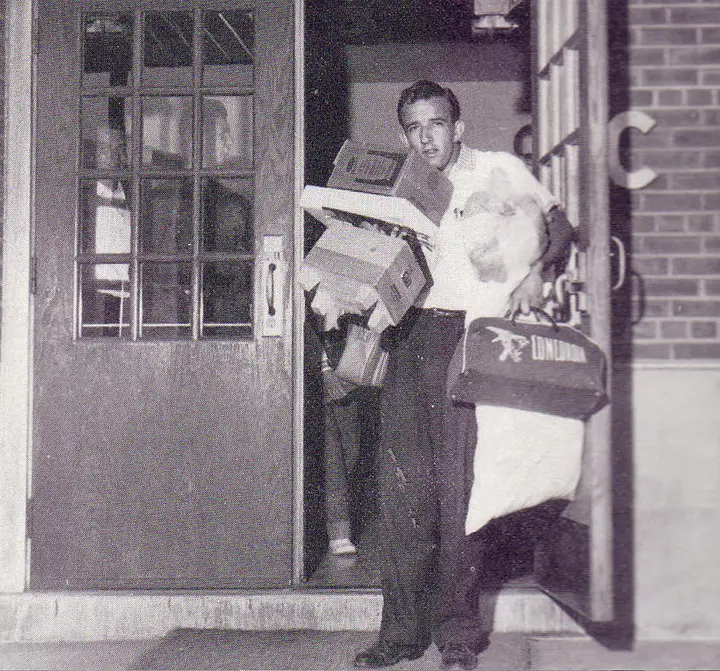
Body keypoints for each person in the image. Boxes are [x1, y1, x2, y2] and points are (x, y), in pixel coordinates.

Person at [353, 81, 574, 670]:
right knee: (405, 497)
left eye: (437, 123)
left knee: (460, 497)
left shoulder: (496, 170)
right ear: (403, 134)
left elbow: (560, 227)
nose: (427, 136)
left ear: (459, 127)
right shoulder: (401, 185)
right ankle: (398, 635)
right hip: (409, 337)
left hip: (470, 339)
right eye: (415, 126)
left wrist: (536, 275)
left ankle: (456, 638)